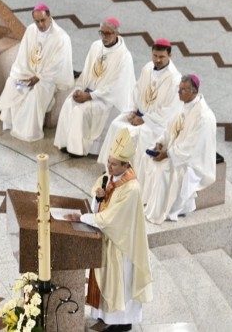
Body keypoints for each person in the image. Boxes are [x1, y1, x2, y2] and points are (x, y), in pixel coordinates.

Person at [64, 128, 153, 332]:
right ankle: (106, 317)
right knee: (106, 279)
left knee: (119, 282)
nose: (109, 166)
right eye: (109, 162)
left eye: (113, 164)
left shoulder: (131, 188)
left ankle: (121, 322)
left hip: (122, 244)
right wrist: (99, 196)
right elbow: (100, 202)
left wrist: (82, 217)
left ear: (125, 164)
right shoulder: (110, 177)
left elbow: (111, 219)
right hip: (108, 238)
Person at [97, 38, 182, 178]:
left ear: (170, 56)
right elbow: (136, 90)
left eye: (162, 57)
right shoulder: (148, 68)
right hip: (138, 114)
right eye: (155, 56)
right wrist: (132, 110)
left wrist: (144, 120)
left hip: (156, 123)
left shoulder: (174, 79)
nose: (158, 60)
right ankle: (112, 167)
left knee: (135, 135)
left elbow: (169, 110)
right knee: (116, 124)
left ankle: (132, 174)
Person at [140, 74, 217, 225]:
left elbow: (191, 147)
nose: (178, 92)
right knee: (145, 157)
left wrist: (168, 154)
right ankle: (147, 201)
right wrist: (161, 142)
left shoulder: (203, 116)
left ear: (194, 91)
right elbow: (170, 129)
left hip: (191, 162)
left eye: (183, 90)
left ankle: (164, 209)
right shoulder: (184, 105)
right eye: (179, 89)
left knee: (164, 169)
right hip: (175, 151)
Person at [53, 17, 135, 157]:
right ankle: (66, 143)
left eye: (108, 33)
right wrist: (79, 89)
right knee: (69, 103)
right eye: (101, 33)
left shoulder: (124, 56)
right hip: (89, 92)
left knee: (80, 110)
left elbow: (115, 87)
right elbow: (86, 72)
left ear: (116, 34)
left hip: (107, 99)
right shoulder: (95, 46)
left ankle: (77, 150)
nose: (104, 37)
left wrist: (91, 96)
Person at [0, 3, 74, 142]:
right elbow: (22, 56)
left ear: (49, 17)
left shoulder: (61, 37)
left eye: (43, 20)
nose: (40, 24)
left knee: (34, 94)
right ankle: (11, 122)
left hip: (48, 79)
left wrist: (38, 77)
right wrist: (21, 74)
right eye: (37, 21)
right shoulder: (31, 30)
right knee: (12, 82)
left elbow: (57, 65)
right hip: (29, 72)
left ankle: (28, 131)